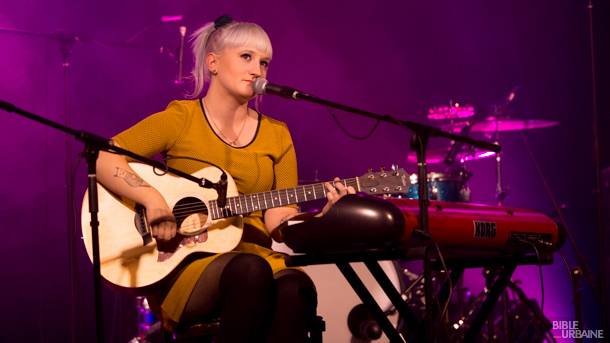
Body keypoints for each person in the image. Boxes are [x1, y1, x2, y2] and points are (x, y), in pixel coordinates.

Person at [96, 15, 355, 342]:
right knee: (249, 271)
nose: (257, 70)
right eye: (246, 57)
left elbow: (279, 218)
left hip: (258, 255)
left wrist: (322, 219)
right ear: (213, 63)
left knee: (296, 288)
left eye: (264, 62)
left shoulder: (278, 135)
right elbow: (105, 155)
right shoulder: (181, 118)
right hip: (190, 261)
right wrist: (152, 200)